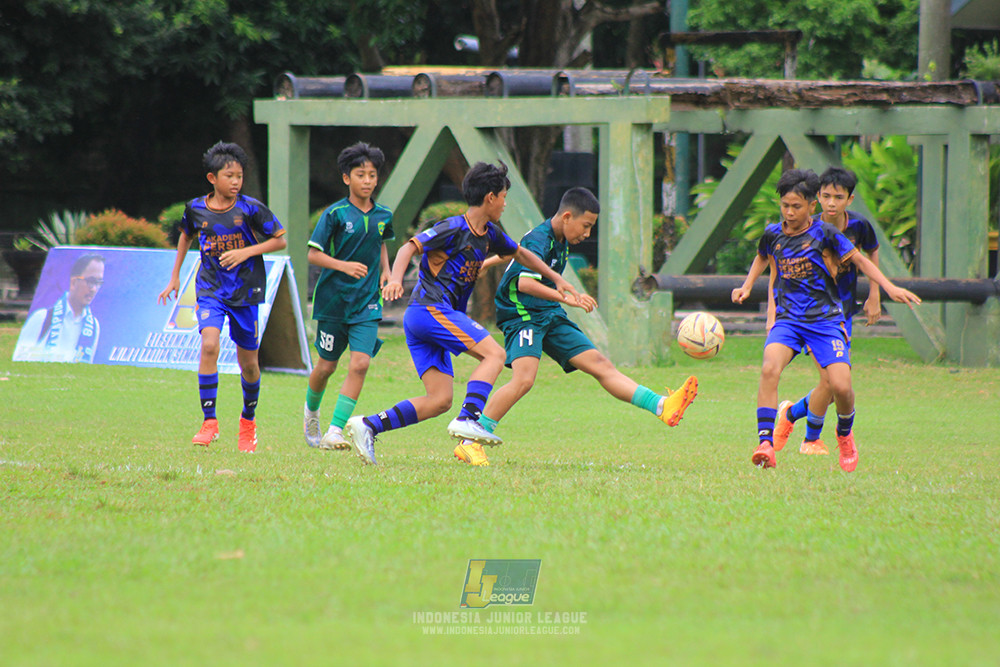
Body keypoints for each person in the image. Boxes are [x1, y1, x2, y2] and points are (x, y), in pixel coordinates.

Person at [342, 161, 580, 465]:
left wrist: (557, 278)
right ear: (491, 197)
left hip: (426, 319)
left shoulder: (489, 234)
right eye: (504, 197)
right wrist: (395, 279)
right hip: (430, 309)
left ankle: (369, 426)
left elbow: (520, 253)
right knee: (494, 354)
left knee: (439, 400)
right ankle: (469, 418)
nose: (506, 204)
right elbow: (408, 248)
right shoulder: (453, 227)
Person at [452, 187, 699, 466]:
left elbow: (519, 252)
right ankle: (469, 441)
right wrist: (565, 297)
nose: (587, 234)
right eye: (586, 226)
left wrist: (490, 260)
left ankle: (661, 406)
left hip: (548, 312)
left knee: (599, 364)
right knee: (524, 379)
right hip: (521, 313)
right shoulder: (540, 237)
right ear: (567, 216)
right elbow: (524, 282)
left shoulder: (559, 238)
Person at [731, 168, 920, 472]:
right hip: (789, 320)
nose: (789, 212)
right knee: (769, 368)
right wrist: (747, 285)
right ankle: (765, 443)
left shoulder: (826, 234)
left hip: (826, 321)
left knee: (841, 388)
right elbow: (763, 256)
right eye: (784, 206)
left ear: (811, 206)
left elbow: (860, 259)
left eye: (796, 206)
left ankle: (844, 434)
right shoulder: (773, 232)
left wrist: (888, 288)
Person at [158, 141, 287, 453]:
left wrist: (246, 251)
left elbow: (280, 240)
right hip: (211, 288)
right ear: (212, 178)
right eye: (230, 176)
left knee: (250, 365)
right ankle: (209, 421)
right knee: (210, 344)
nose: (236, 182)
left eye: (240, 176)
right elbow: (186, 235)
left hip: (245, 291)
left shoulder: (251, 209)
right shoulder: (196, 209)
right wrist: (175, 276)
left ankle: (248, 421)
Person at [772, 166, 881, 456]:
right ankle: (810, 439)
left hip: (842, 312)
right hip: (808, 314)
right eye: (826, 196)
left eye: (838, 197)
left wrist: (875, 293)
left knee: (835, 385)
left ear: (850, 199)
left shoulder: (859, 226)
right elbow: (775, 264)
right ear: (816, 198)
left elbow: (871, 253)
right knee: (831, 382)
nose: (831, 203)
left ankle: (791, 415)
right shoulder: (805, 228)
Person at [303, 142, 393, 450]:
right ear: (347, 179)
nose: (367, 180)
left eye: (372, 175)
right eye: (360, 174)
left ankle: (335, 431)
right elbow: (313, 255)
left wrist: (386, 271)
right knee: (326, 367)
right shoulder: (335, 214)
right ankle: (311, 411)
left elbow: (380, 242)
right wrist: (342, 265)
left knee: (360, 364)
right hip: (333, 302)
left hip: (367, 302)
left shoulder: (384, 214)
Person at [14, 253, 104, 363]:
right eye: (91, 282)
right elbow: (19, 359)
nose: (94, 289)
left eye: (98, 283)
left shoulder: (93, 326)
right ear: (74, 282)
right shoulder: (42, 317)